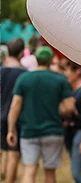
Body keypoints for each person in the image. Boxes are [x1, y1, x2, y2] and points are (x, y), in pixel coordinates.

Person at [7, 46, 75, 183]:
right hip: (53, 131)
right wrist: (55, 109)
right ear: (51, 60)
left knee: (29, 171)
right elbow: (69, 107)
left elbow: (15, 106)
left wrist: (10, 129)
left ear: (36, 60)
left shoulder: (24, 78)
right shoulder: (59, 79)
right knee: (50, 173)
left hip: (29, 131)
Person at [0, 39, 26, 183]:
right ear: (21, 53)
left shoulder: (1, 70)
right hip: (15, 118)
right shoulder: (24, 73)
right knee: (13, 155)